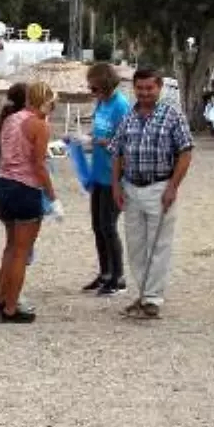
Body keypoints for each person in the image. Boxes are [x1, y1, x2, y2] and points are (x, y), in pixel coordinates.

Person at [110, 67, 194, 319]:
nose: (145, 93)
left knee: (159, 244)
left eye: (150, 88)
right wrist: (116, 185)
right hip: (131, 187)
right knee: (135, 245)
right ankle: (143, 291)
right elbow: (117, 153)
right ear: (134, 88)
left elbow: (186, 152)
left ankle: (153, 298)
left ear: (159, 88)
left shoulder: (172, 115)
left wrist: (172, 187)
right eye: (140, 88)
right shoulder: (128, 117)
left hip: (159, 187)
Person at [0, 81, 59, 324]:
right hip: (25, 187)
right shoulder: (39, 125)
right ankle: (11, 307)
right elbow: (39, 164)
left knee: (10, 246)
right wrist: (53, 196)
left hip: (2, 184)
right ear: (47, 101)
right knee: (21, 251)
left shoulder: (10, 119)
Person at [80, 62, 132, 296]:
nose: (93, 93)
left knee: (109, 225)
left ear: (105, 85)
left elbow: (125, 141)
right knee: (97, 226)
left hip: (114, 173)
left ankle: (118, 276)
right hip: (98, 171)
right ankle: (105, 273)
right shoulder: (101, 103)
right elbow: (100, 131)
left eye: (94, 88)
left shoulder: (121, 106)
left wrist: (100, 142)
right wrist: (85, 139)